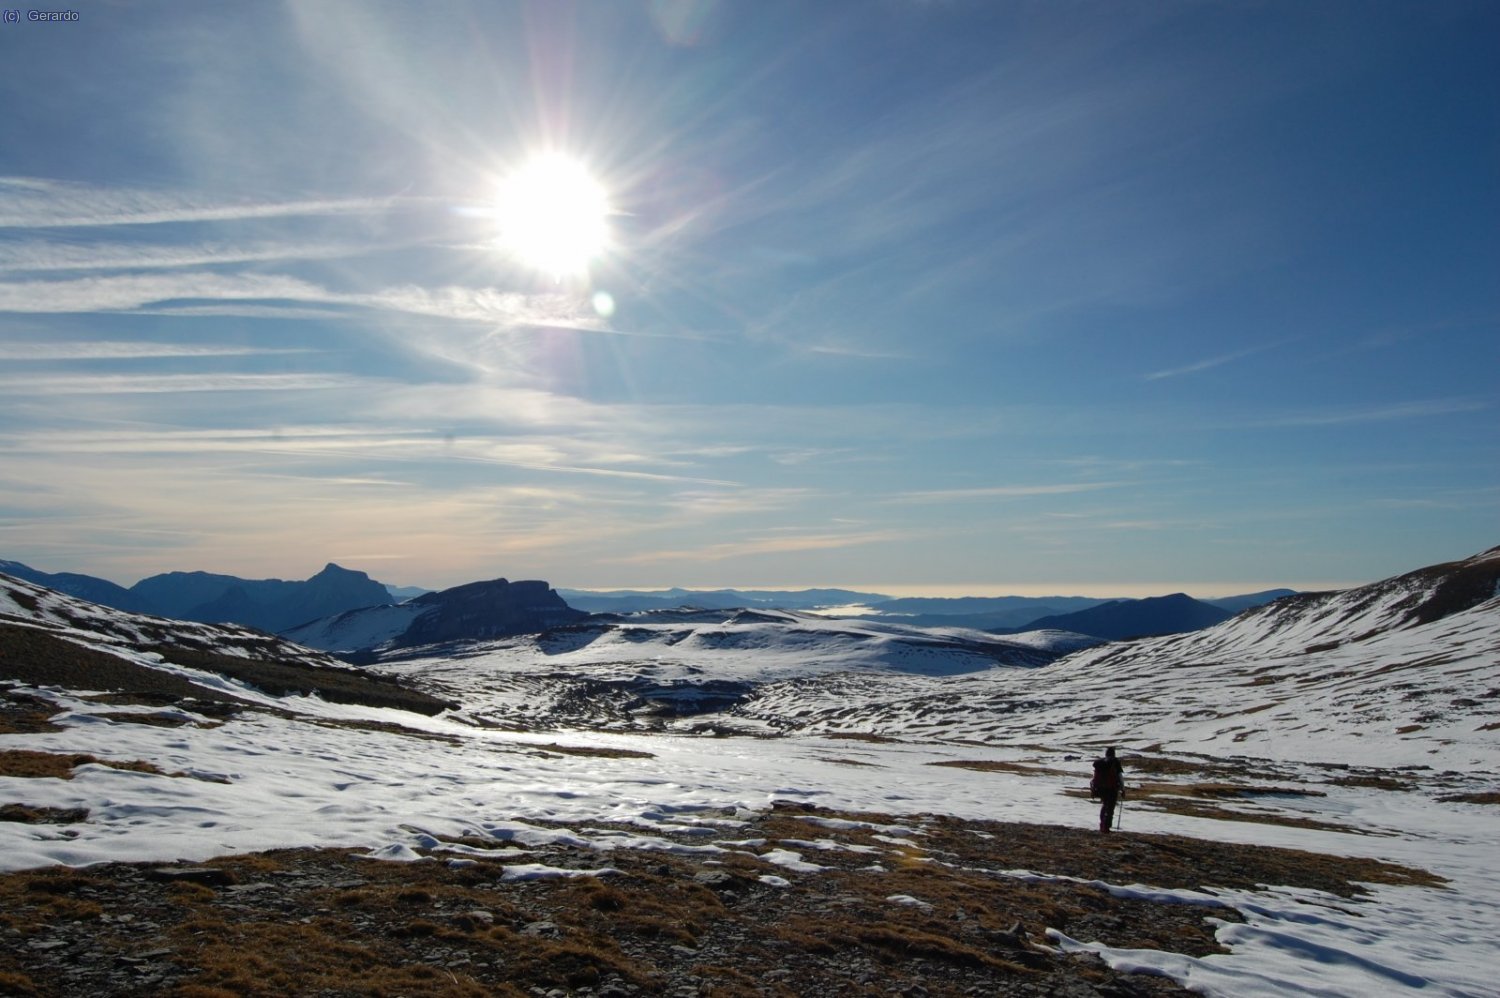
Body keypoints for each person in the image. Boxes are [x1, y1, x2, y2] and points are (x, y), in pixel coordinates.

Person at [1090, 747, 1125, 833]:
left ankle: (1102, 824)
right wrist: (1123, 789)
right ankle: (1106, 827)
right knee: (1110, 808)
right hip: (1111, 788)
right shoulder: (1115, 762)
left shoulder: (1100, 763)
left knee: (1105, 805)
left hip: (1100, 788)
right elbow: (1120, 776)